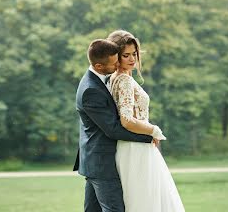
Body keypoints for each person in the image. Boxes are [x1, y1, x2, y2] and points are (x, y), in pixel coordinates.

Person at [107, 30, 185, 212]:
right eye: (126, 55)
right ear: (115, 56)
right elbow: (126, 120)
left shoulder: (117, 78)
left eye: (134, 54)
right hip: (135, 148)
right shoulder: (124, 80)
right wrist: (153, 130)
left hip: (134, 145)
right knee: (145, 200)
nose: (132, 59)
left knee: (147, 199)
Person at [74, 38, 156, 212]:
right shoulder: (91, 90)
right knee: (114, 210)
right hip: (101, 162)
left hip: (94, 160)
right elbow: (112, 129)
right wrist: (148, 136)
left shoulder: (96, 80)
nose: (118, 64)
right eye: (114, 62)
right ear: (99, 66)